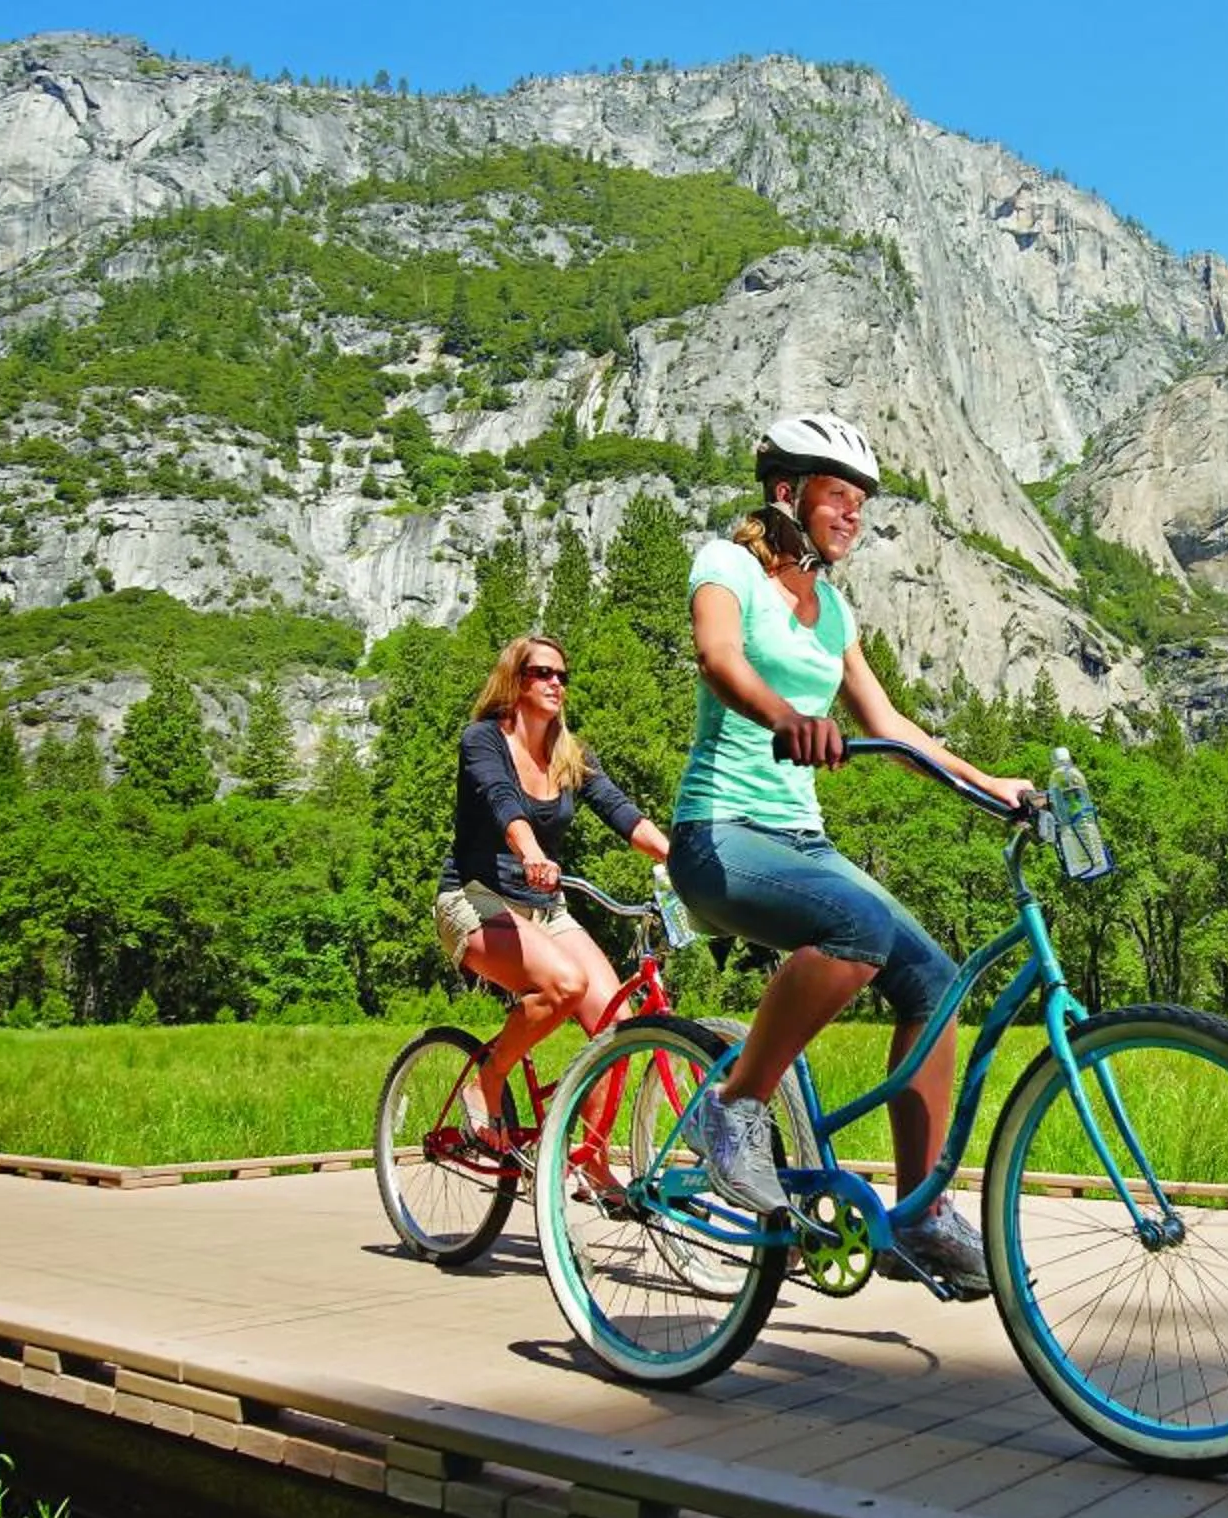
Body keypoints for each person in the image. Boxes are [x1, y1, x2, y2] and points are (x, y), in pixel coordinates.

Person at [666, 413, 1031, 1296]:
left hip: (801, 842)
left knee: (936, 979)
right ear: (788, 492)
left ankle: (919, 1216)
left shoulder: (833, 611)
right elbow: (718, 659)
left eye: (862, 503)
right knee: (858, 926)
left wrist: (995, 787)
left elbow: (890, 726)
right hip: (719, 837)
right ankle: (731, 1104)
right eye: (841, 496)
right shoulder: (728, 567)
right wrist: (784, 717)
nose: (854, 516)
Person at [435, 632, 671, 1159]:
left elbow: (620, 812)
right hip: (476, 899)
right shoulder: (482, 740)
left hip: (545, 909)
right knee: (564, 984)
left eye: (562, 675)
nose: (556, 683)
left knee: (620, 1026)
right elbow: (502, 802)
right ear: (514, 681)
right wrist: (530, 853)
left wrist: (677, 859)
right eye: (543, 673)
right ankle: (487, 1079)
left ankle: (581, 1162)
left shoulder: (570, 753)